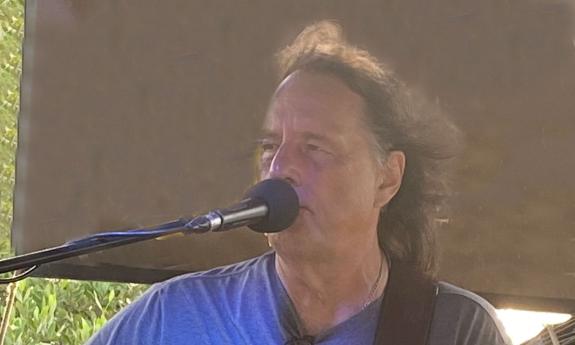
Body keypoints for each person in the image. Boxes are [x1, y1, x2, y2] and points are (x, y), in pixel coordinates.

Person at [86, 21, 511, 345]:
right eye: (271, 147)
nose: (280, 168)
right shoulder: (172, 318)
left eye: (315, 148)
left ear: (388, 178)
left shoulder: (456, 328)